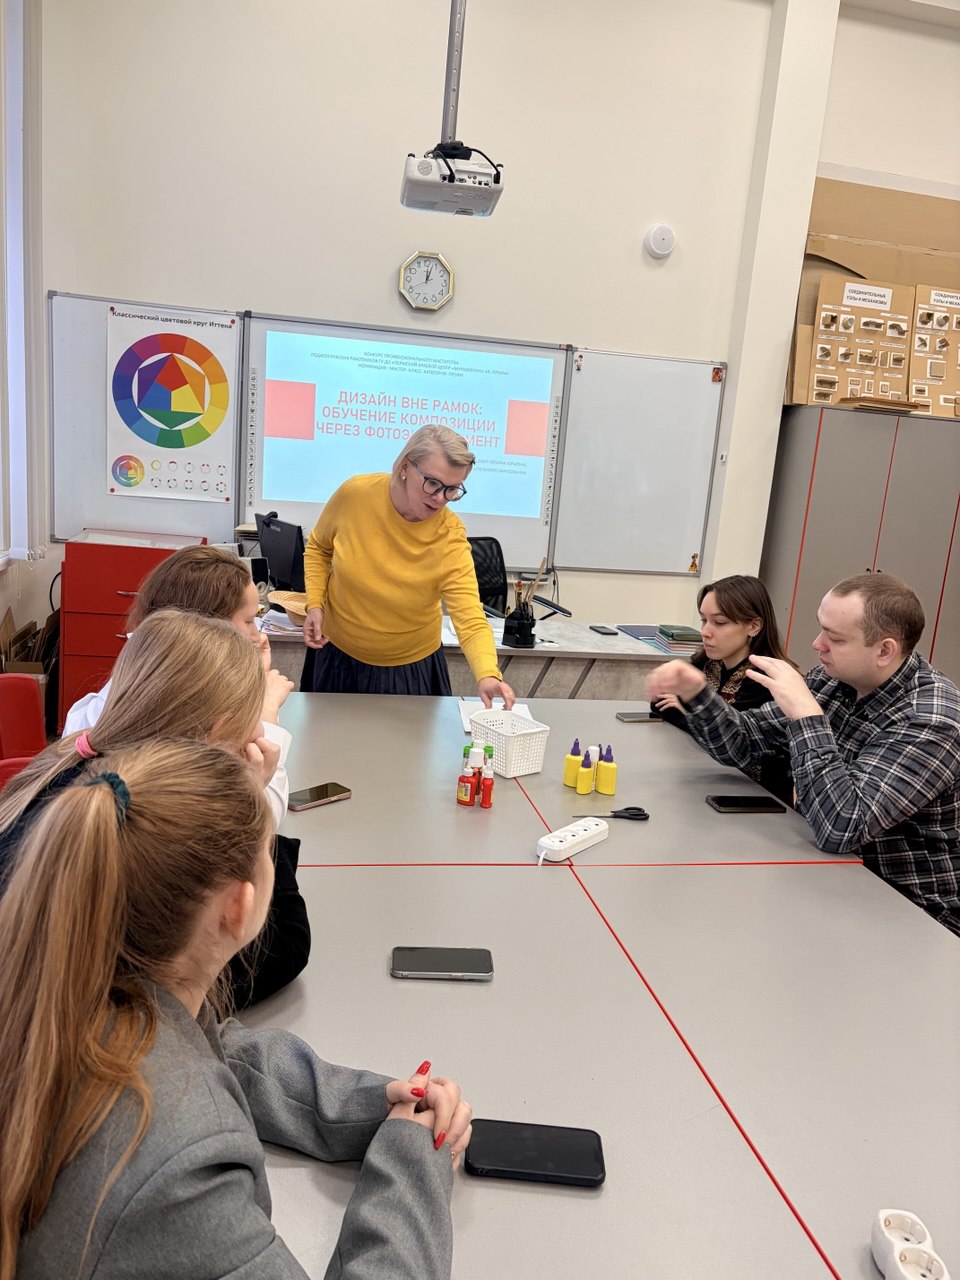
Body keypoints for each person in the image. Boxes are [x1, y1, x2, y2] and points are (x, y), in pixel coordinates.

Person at [0, 738, 470, 1280]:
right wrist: (411, 1162)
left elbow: (210, 1045)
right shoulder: (177, 1169)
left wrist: (361, 1105)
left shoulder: (59, 981)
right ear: (239, 907)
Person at [0, 610, 309, 1007]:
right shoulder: (147, 826)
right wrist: (250, 804)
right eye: (256, 722)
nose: (260, 733)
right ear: (220, 732)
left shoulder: (76, 765)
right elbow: (280, 950)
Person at [645, 573, 960, 935]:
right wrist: (698, 694)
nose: (817, 644)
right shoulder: (832, 680)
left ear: (884, 650)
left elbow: (842, 827)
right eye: (821, 629)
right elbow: (744, 744)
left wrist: (806, 716)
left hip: (909, 912)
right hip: (827, 876)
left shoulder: (930, 720)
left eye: (835, 638)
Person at [62, 544, 294, 827]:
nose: (257, 635)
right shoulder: (183, 722)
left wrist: (248, 682)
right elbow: (253, 820)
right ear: (204, 630)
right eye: (248, 621)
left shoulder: (143, 679)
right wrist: (266, 715)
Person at [301, 425, 515, 706]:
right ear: (405, 467)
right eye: (433, 483)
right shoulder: (355, 494)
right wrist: (315, 605)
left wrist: (488, 674)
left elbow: (470, 617)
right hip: (336, 657)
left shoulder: (449, 536)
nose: (440, 498)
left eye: (452, 489)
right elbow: (319, 548)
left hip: (409, 670)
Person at [650, 575, 794, 804]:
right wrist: (694, 715)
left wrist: (687, 711)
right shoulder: (708, 663)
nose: (705, 632)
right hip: (709, 779)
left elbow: (732, 741)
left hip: (751, 797)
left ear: (753, 626)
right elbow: (659, 702)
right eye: (703, 620)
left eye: (719, 622)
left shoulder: (766, 680)